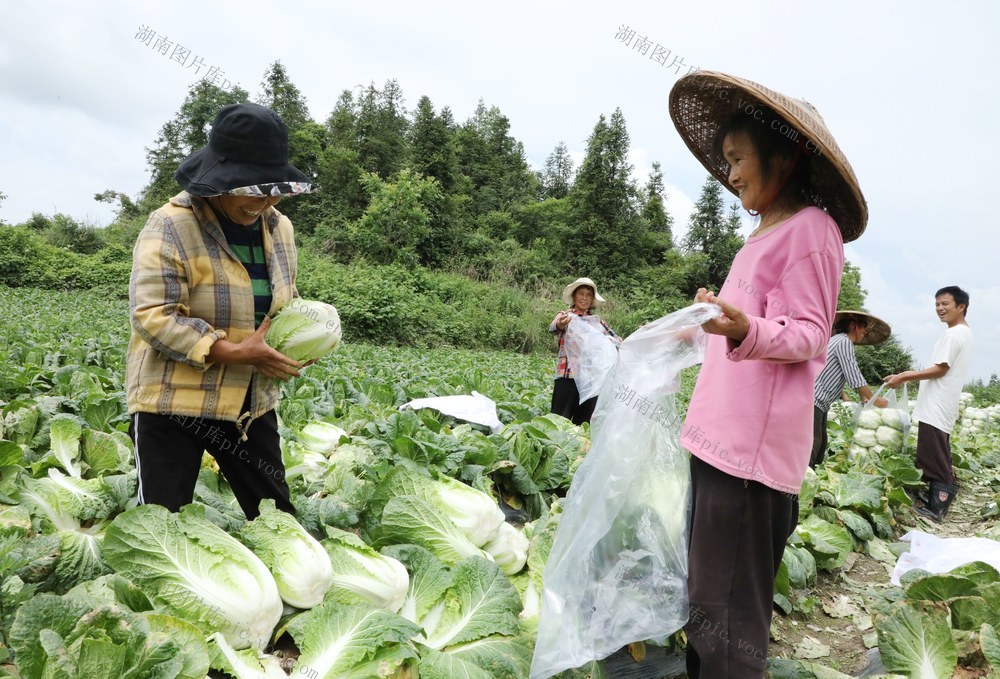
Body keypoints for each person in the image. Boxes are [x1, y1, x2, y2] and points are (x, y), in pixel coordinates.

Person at [668, 71, 868, 677]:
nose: (729, 174)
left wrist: (741, 328)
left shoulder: (812, 228)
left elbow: (809, 332)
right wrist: (713, 318)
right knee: (706, 602)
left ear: (783, 156)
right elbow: (751, 321)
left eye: (738, 158)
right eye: (724, 161)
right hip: (715, 443)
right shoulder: (761, 234)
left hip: (748, 464)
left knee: (725, 612)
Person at [127, 102, 314, 520]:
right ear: (217, 183)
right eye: (250, 191)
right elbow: (154, 315)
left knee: (277, 518)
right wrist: (232, 351)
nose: (262, 202)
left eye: (271, 190)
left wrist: (296, 341)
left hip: (248, 404)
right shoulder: (172, 224)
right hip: (172, 402)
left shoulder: (278, 227)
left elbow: (284, 301)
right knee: (162, 524)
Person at [884, 286, 974, 521]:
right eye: (937, 305)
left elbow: (940, 369)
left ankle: (938, 508)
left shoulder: (954, 334)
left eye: (945, 304)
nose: (940, 309)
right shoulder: (963, 333)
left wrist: (904, 375)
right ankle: (935, 498)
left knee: (935, 455)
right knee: (936, 452)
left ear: (961, 306)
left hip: (937, 404)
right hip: (941, 403)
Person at [810, 311, 891, 468]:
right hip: (814, 399)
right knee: (814, 444)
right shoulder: (844, 342)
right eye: (863, 329)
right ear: (853, 325)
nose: (863, 333)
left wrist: (855, 396)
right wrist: (874, 399)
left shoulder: (835, 340)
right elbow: (853, 374)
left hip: (819, 401)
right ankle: (798, 485)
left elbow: (834, 373)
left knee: (820, 443)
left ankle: (809, 478)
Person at [549, 277, 621, 425]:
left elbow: (617, 342)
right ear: (574, 296)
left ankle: (578, 448)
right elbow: (554, 327)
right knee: (558, 421)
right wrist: (561, 324)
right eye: (581, 293)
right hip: (567, 376)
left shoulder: (598, 323)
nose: (584, 298)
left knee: (584, 423)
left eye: (588, 295)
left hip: (591, 380)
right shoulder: (566, 316)